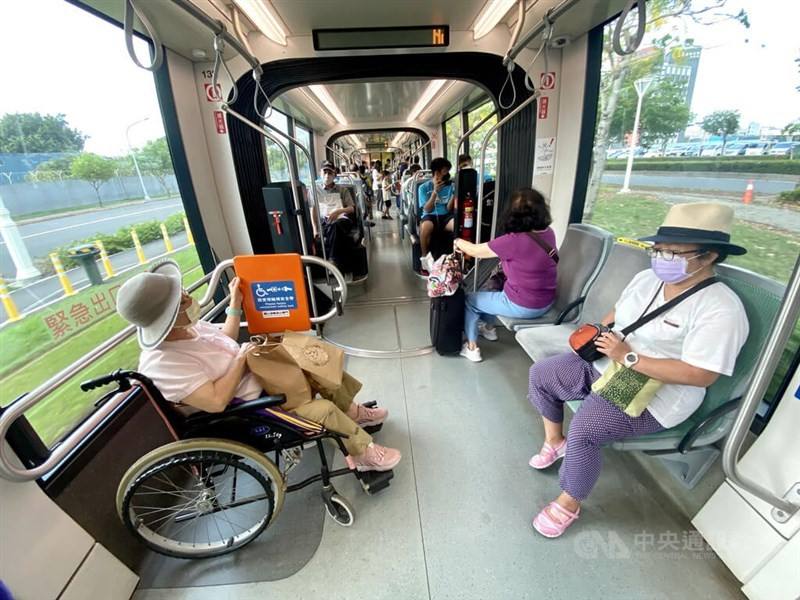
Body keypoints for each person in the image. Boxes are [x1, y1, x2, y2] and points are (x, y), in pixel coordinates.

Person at [526, 202, 749, 538]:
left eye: (673, 253)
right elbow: (617, 313)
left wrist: (629, 358)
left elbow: (702, 375)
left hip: (654, 385)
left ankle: (570, 500)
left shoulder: (721, 309)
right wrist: (597, 335)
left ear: (709, 256)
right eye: (658, 250)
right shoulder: (647, 278)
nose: (661, 259)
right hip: (610, 358)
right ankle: (556, 441)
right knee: (543, 375)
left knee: (586, 428)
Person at [116, 261, 402, 472]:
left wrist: (235, 305)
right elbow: (215, 402)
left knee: (319, 362)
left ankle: (353, 412)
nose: (191, 300)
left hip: (266, 378)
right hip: (256, 408)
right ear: (164, 318)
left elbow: (224, 342)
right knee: (323, 410)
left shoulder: (188, 329)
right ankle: (362, 454)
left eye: (184, 293)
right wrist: (242, 359)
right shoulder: (164, 363)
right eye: (181, 302)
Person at [453, 188, 557, 362]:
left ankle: (472, 348)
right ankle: (489, 328)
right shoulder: (548, 233)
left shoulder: (513, 241)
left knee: (470, 300)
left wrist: (457, 241)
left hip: (524, 306)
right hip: (546, 301)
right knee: (493, 288)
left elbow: (474, 250)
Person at [314, 161, 359, 275]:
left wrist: (338, 211)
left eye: (330, 173)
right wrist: (315, 229)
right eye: (325, 172)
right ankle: (341, 263)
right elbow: (313, 210)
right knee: (332, 227)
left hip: (342, 219)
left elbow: (351, 208)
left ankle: (333, 260)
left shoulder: (342, 190)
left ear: (334, 175)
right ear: (320, 173)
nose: (327, 175)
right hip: (325, 220)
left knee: (335, 225)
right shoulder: (315, 190)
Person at [417, 157, 455, 259]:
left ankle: (456, 257)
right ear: (437, 173)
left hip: (445, 217)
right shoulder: (423, 188)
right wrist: (435, 193)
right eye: (445, 171)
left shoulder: (450, 186)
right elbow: (427, 209)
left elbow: (448, 209)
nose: (447, 174)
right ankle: (424, 257)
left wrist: (454, 195)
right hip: (430, 216)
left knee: (457, 225)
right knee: (426, 227)